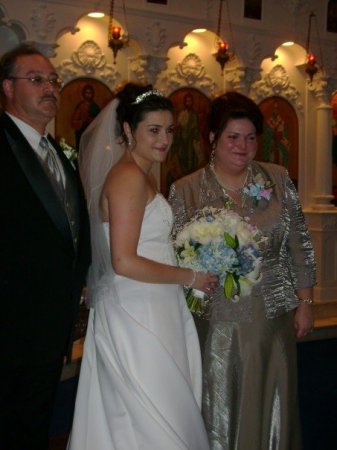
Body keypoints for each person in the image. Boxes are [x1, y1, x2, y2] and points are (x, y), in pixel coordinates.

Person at [67, 83, 218, 449]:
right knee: (151, 409)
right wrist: (191, 276)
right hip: (139, 309)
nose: (164, 139)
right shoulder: (128, 178)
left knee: (155, 404)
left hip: (154, 302)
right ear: (127, 131)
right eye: (153, 130)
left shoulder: (143, 173)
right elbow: (124, 261)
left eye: (169, 130)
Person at [168, 91, 317, 450]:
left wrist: (306, 300)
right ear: (213, 138)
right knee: (220, 402)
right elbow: (173, 257)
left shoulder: (277, 180)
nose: (243, 146)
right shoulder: (186, 190)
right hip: (217, 321)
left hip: (272, 318)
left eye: (251, 137)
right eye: (233, 136)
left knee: (271, 400)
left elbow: (299, 240)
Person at [0, 45, 91, 449]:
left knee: (31, 424)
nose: (50, 88)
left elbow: (69, 230)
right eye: (36, 80)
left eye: (53, 80)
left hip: (49, 326)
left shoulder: (57, 152)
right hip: (10, 326)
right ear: (7, 87)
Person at [71, 83, 101, 149]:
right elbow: (74, 122)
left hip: (92, 132)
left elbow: (99, 121)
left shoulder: (96, 107)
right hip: (81, 132)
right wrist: (82, 121)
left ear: (92, 94)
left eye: (90, 93)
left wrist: (91, 120)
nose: (88, 95)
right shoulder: (80, 106)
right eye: (86, 93)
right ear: (83, 94)